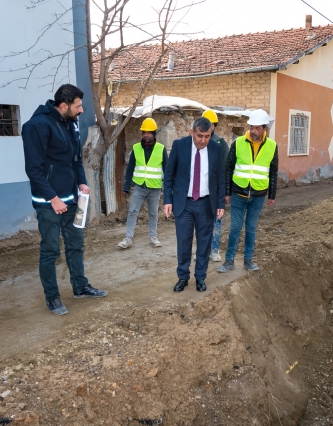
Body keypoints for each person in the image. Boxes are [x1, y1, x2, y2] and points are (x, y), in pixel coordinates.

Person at [21, 84, 107, 316]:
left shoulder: (71, 123)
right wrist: (52, 198)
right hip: (49, 203)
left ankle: (80, 286)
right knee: (50, 250)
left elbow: (75, 159)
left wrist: (82, 182)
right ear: (63, 105)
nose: (81, 110)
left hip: (72, 199)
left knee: (76, 244)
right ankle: (52, 297)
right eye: (78, 106)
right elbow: (34, 169)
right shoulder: (36, 126)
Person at [163, 117, 226, 292]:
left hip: (206, 204)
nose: (203, 140)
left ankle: (200, 277)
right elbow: (169, 176)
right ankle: (183, 277)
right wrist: (168, 200)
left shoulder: (215, 148)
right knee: (183, 242)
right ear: (192, 132)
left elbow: (220, 178)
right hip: (184, 203)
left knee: (204, 243)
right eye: (199, 136)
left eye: (207, 136)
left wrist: (220, 203)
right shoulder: (179, 146)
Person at [217, 110, 278, 273]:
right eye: (252, 127)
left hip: (258, 195)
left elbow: (273, 172)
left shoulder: (272, 147)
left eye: (257, 128)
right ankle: (229, 261)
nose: (253, 131)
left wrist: (272, 194)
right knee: (235, 227)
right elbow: (228, 169)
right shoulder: (238, 143)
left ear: (265, 129)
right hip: (238, 193)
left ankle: (248, 260)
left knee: (251, 227)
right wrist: (227, 192)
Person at [118, 118, 168, 249]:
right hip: (139, 186)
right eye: (144, 132)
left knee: (153, 214)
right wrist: (126, 185)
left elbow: (167, 170)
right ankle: (128, 239)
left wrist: (168, 188)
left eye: (149, 132)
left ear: (154, 133)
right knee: (132, 211)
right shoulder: (136, 148)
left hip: (155, 187)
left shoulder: (161, 149)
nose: (146, 134)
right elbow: (130, 169)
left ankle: (153, 237)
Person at [201, 109, 230, 262]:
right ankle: (203, 251)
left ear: (214, 127)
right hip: (200, 190)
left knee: (216, 222)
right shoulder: (197, 143)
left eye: (209, 124)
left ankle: (215, 250)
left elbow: (225, 169)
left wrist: (225, 192)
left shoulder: (221, 144)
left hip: (216, 190)